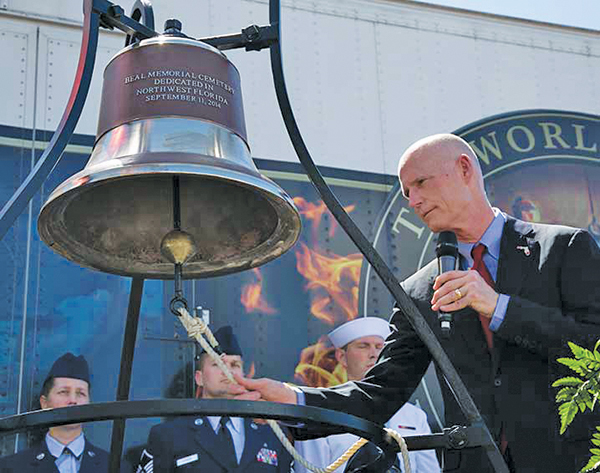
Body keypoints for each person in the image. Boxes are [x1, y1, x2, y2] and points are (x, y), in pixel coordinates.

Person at [232, 134, 600, 473]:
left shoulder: (564, 249)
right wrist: (292, 400)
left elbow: (594, 345)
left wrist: (499, 306)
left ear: (464, 168)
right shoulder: (418, 290)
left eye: (421, 183)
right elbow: (378, 394)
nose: (413, 201)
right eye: (406, 192)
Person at [136, 325, 292, 472]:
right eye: (217, 364)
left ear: (244, 375)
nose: (227, 371)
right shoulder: (169, 436)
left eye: (235, 365)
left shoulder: (273, 434)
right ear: (199, 378)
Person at [294, 317, 440, 473]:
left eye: (379, 347)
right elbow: (309, 469)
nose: (373, 354)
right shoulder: (321, 411)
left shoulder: (414, 416)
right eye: (363, 346)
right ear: (342, 357)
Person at [0, 352, 110, 472]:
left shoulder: (114, 466)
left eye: (81, 393)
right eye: (63, 392)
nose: (73, 400)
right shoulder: (11, 468)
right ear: (44, 403)